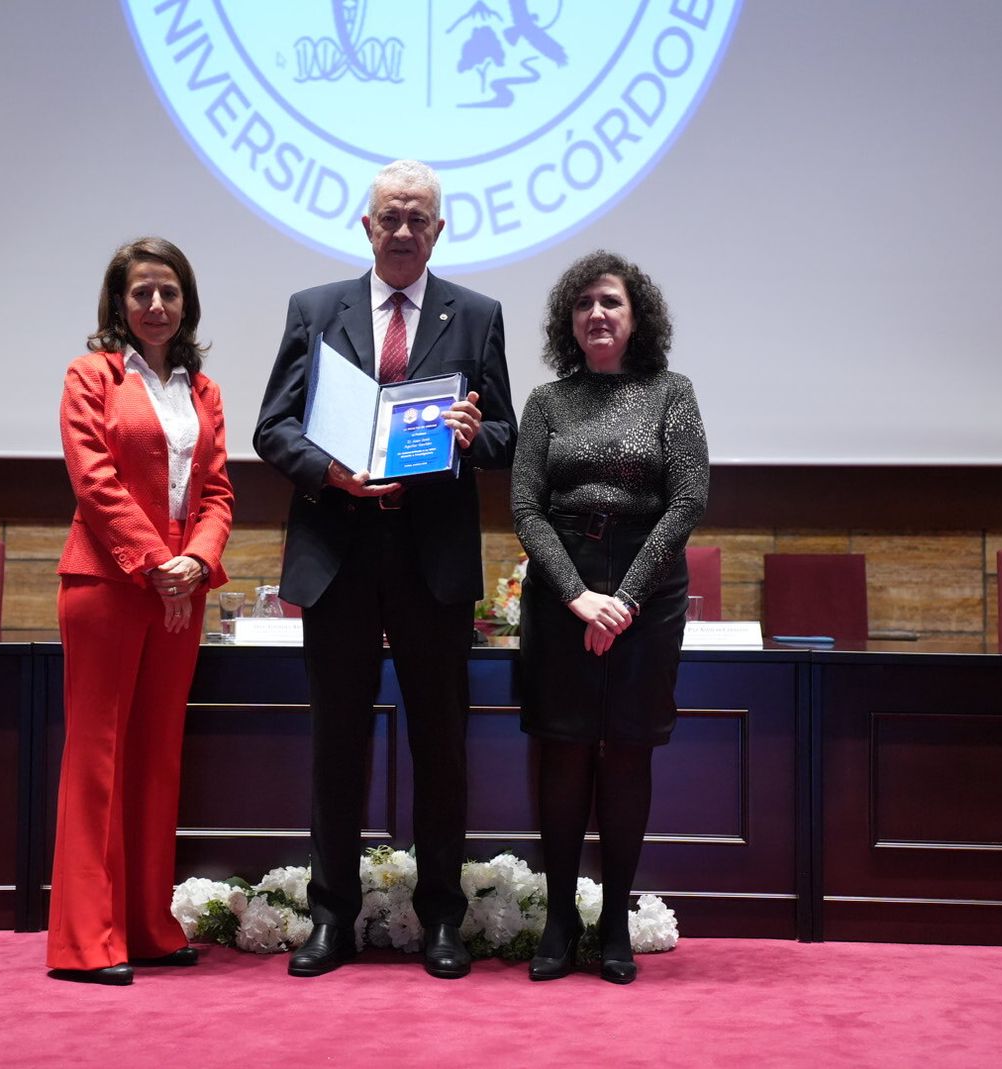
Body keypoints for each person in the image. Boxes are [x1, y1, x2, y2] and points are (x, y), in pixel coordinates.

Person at [254, 159, 517, 979]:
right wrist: (326, 471)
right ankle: (332, 920)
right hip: (338, 552)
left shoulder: (476, 316)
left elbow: (506, 436)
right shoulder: (315, 310)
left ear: (439, 230)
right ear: (365, 227)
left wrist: (475, 432)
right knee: (337, 745)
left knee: (442, 748)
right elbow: (273, 428)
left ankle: (441, 918)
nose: (403, 230)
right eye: (389, 217)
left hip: (431, 560)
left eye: (418, 219)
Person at [511, 250, 709, 985]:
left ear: (637, 317)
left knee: (627, 751)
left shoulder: (671, 392)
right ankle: (561, 918)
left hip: (647, 591)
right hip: (562, 589)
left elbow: (687, 500)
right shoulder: (546, 402)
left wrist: (624, 596)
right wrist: (575, 594)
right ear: (570, 319)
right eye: (585, 302)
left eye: (612, 302)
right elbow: (525, 507)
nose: (598, 313)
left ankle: (617, 918)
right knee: (562, 751)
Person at [48, 237, 234, 985]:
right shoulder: (90, 374)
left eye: (169, 293)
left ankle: (148, 926)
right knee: (99, 758)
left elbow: (217, 493)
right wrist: (158, 564)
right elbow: (94, 483)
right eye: (141, 294)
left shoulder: (203, 388)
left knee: (158, 758)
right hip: (108, 586)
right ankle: (87, 940)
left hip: (178, 595)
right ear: (117, 304)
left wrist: (197, 562)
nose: (156, 306)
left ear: (186, 303)